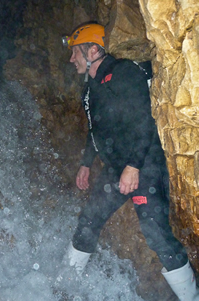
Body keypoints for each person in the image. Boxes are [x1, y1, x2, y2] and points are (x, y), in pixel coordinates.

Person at [58, 22, 199, 301]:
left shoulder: (123, 72)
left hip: (144, 164)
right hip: (116, 169)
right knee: (89, 220)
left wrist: (134, 166)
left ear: (93, 50)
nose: (71, 58)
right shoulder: (91, 89)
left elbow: (145, 120)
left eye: (75, 52)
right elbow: (93, 129)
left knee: (157, 235)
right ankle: (64, 288)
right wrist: (86, 163)